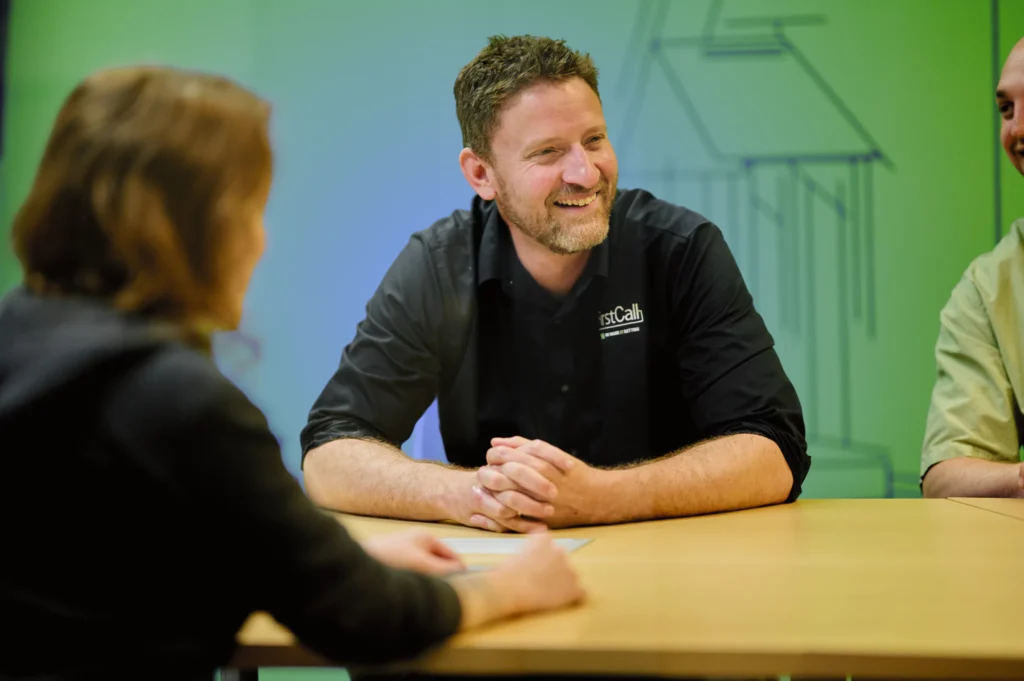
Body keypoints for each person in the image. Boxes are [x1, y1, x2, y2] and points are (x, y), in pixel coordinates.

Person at [0, 65, 584, 681]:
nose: (260, 241)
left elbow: (110, 566)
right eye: (251, 210)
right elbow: (363, 616)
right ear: (192, 228)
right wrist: (510, 588)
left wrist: (337, 561)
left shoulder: (21, 340)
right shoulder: (179, 402)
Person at [301, 34, 810, 533]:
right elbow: (329, 453)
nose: (585, 173)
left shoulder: (680, 250)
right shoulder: (439, 266)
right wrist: (471, 494)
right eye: (547, 152)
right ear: (481, 174)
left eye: (594, 140)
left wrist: (602, 498)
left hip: (678, 563)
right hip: (511, 566)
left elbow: (775, 450)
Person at [921, 37, 1024, 498]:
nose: (1017, 129)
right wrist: (1019, 479)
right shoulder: (989, 288)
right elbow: (945, 474)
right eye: (1006, 109)